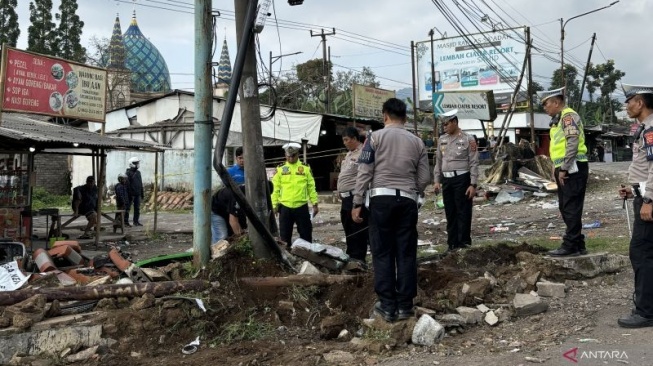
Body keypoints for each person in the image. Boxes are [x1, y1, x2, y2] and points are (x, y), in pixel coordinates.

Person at [352, 98, 430, 322]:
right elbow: (424, 177)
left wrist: (357, 203)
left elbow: (364, 172)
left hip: (380, 201)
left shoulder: (374, 138)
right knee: (406, 252)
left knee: (382, 252)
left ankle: (387, 306)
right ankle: (405, 306)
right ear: (405, 118)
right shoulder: (417, 142)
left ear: (384, 115)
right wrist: (411, 190)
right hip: (407, 201)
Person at [616, 84, 653, 328]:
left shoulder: (650, 130)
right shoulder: (645, 129)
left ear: (639, 102)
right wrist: (634, 189)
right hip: (645, 194)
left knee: (641, 252)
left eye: (629, 101)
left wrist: (648, 200)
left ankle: (646, 311)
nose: (627, 106)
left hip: (650, 201)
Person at [537, 87, 589, 257]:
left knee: (570, 207)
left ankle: (571, 245)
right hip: (566, 166)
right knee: (567, 205)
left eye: (547, 104)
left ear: (556, 102)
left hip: (573, 167)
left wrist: (564, 168)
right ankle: (578, 243)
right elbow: (558, 147)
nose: (545, 108)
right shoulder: (559, 119)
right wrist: (555, 167)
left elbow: (572, 142)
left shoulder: (568, 117)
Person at [433, 109, 480, 252]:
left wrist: (473, 184)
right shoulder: (442, 139)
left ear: (454, 122)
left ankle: (464, 243)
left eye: (446, 124)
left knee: (463, 212)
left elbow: (474, 163)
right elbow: (438, 162)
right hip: (447, 180)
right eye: (443, 124)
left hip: (462, 179)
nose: (444, 127)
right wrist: (436, 180)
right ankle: (452, 244)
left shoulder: (468, 138)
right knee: (450, 212)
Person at [271, 142, 319, 247]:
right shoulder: (280, 169)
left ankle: (307, 257)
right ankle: (287, 258)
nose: (291, 158)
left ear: (298, 154)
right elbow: (275, 189)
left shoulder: (305, 168)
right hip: (284, 207)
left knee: (306, 235)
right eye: (288, 156)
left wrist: (315, 204)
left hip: (301, 207)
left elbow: (311, 187)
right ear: (285, 155)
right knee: (284, 237)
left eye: (293, 156)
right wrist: (274, 205)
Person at [337, 127, 369, 263]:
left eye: (347, 140)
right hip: (345, 198)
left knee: (357, 229)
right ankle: (351, 256)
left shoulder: (364, 153)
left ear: (355, 138)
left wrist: (358, 200)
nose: (344, 143)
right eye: (343, 140)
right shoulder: (349, 154)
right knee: (348, 227)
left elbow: (364, 176)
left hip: (355, 197)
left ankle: (358, 258)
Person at [125, 156, 144, 227]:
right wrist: (129, 194)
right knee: (127, 208)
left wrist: (142, 193)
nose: (138, 164)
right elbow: (127, 185)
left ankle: (136, 221)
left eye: (138, 163)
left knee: (137, 209)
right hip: (131, 195)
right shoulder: (128, 173)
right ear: (132, 164)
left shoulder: (138, 173)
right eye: (136, 163)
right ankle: (126, 222)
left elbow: (140, 183)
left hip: (137, 194)